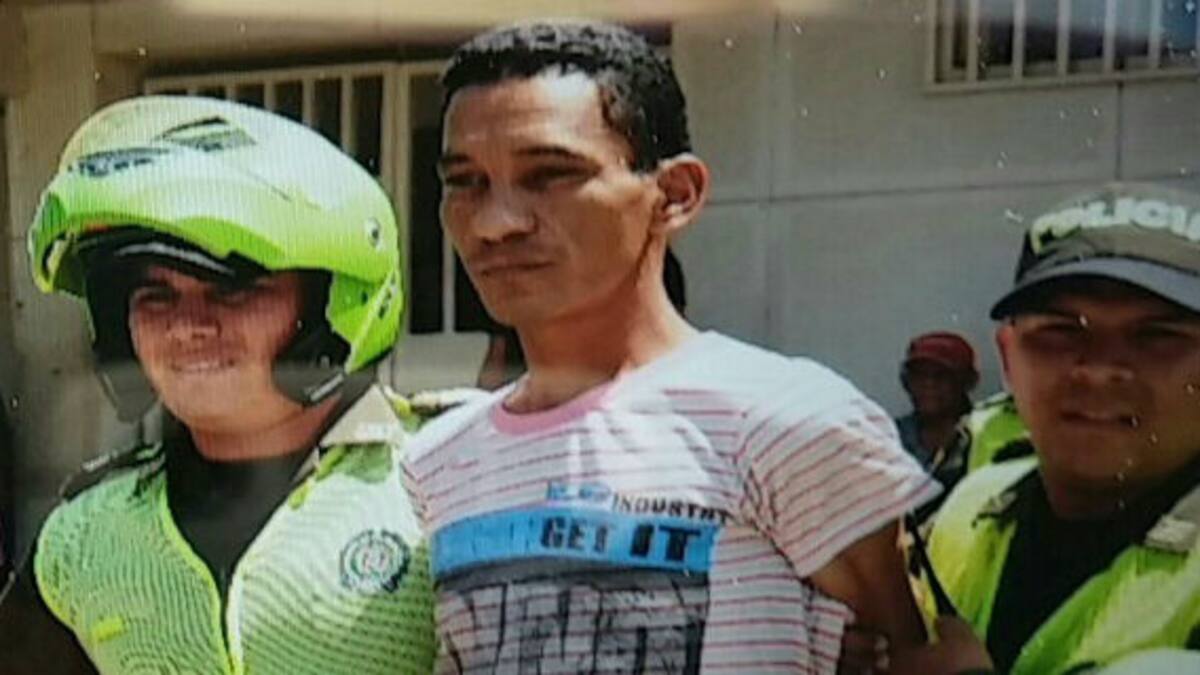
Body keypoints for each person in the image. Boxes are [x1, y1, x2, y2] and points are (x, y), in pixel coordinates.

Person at [403, 20, 941, 673]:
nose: (496, 223)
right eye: (466, 182)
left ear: (675, 195)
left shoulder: (785, 419)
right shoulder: (435, 462)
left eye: (549, 175)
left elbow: (919, 655)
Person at [0, 96, 438, 674]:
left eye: (232, 290)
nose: (188, 327)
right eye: (156, 296)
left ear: (328, 307)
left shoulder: (443, 483)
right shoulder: (83, 537)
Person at [921, 182, 1200, 674]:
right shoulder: (973, 509)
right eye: (1060, 332)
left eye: (1157, 336)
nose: (1099, 370)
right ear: (1008, 358)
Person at [894, 331, 977, 515]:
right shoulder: (889, 439)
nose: (928, 384)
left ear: (968, 381)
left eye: (941, 376)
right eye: (919, 375)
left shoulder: (987, 433)